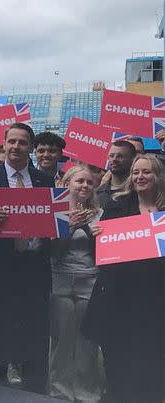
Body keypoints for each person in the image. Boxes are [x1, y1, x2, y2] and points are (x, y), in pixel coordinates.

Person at [83, 155, 165, 403]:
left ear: (159, 177)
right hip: (119, 297)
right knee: (118, 357)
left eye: (146, 172)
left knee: (154, 357)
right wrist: (95, 236)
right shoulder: (116, 206)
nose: (140, 177)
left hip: (156, 298)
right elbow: (99, 253)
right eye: (136, 172)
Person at [0, 123, 55, 393]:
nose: (16, 147)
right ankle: (1, 380)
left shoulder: (45, 181)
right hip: (2, 266)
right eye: (11, 141)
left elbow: (53, 224)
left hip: (35, 265)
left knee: (36, 326)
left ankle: (37, 383)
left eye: (22, 142)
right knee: (2, 323)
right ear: (3, 143)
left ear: (30, 147)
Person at [48, 165, 103, 403]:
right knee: (62, 339)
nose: (85, 186)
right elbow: (51, 252)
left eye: (89, 182)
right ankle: (59, 389)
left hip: (89, 279)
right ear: (68, 184)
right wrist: (71, 229)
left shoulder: (101, 213)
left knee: (86, 341)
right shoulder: (55, 213)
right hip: (60, 279)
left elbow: (103, 252)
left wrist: (87, 231)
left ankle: (87, 391)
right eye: (80, 181)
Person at [96, 140, 135, 207]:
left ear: (132, 159)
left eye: (120, 156)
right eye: (111, 156)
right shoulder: (99, 192)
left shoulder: (139, 189)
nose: (114, 159)